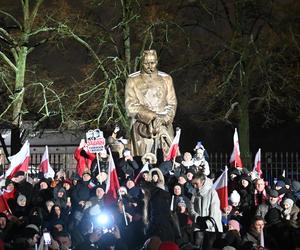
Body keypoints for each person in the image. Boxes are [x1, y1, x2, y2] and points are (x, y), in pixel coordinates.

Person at [125, 49, 177, 157]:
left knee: (168, 162)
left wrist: (165, 118)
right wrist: (153, 117)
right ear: (141, 62)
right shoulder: (132, 79)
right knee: (143, 164)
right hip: (143, 127)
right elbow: (130, 106)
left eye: (152, 63)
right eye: (146, 63)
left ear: (156, 62)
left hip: (164, 127)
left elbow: (172, 103)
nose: (150, 66)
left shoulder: (166, 78)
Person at [189, 173, 223, 249]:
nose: (194, 186)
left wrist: (207, 223)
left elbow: (214, 210)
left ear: (203, 182)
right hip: (198, 227)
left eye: (196, 184)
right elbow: (191, 209)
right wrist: (197, 218)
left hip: (211, 228)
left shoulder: (212, 192)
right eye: (193, 184)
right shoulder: (194, 194)